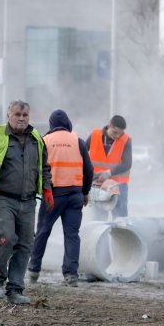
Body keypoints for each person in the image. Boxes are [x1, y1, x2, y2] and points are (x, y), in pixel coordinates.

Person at [0, 100, 52, 305]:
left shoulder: (37, 139)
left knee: (26, 244)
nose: (21, 118)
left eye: (25, 115)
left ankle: (15, 289)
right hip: (3, 198)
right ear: (9, 115)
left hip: (28, 201)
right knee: (6, 237)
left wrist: (47, 189)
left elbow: (44, 167)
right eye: (17, 114)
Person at [27, 110, 94, 288]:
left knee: (42, 232)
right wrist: (85, 192)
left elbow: (34, 167)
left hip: (53, 195)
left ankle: (33, 271)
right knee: (72, 235)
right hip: (75, 195)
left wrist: (35, 190)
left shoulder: (44, 140)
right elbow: (89, 169)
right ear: (67, 122)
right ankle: (71, 275)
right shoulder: (77, 141)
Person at [85, 115, 132, 219]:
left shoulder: (126, 140)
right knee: (99, 220)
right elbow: (82, 153)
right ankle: (103, 236)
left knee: (120, 221)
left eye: (120, 133)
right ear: (109, 125)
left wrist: (109, 173)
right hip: (97, 184)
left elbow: (127, 164)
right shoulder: (95, 135)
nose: (117, 136)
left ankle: (120, 235)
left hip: (119, 186)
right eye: (115, 132)